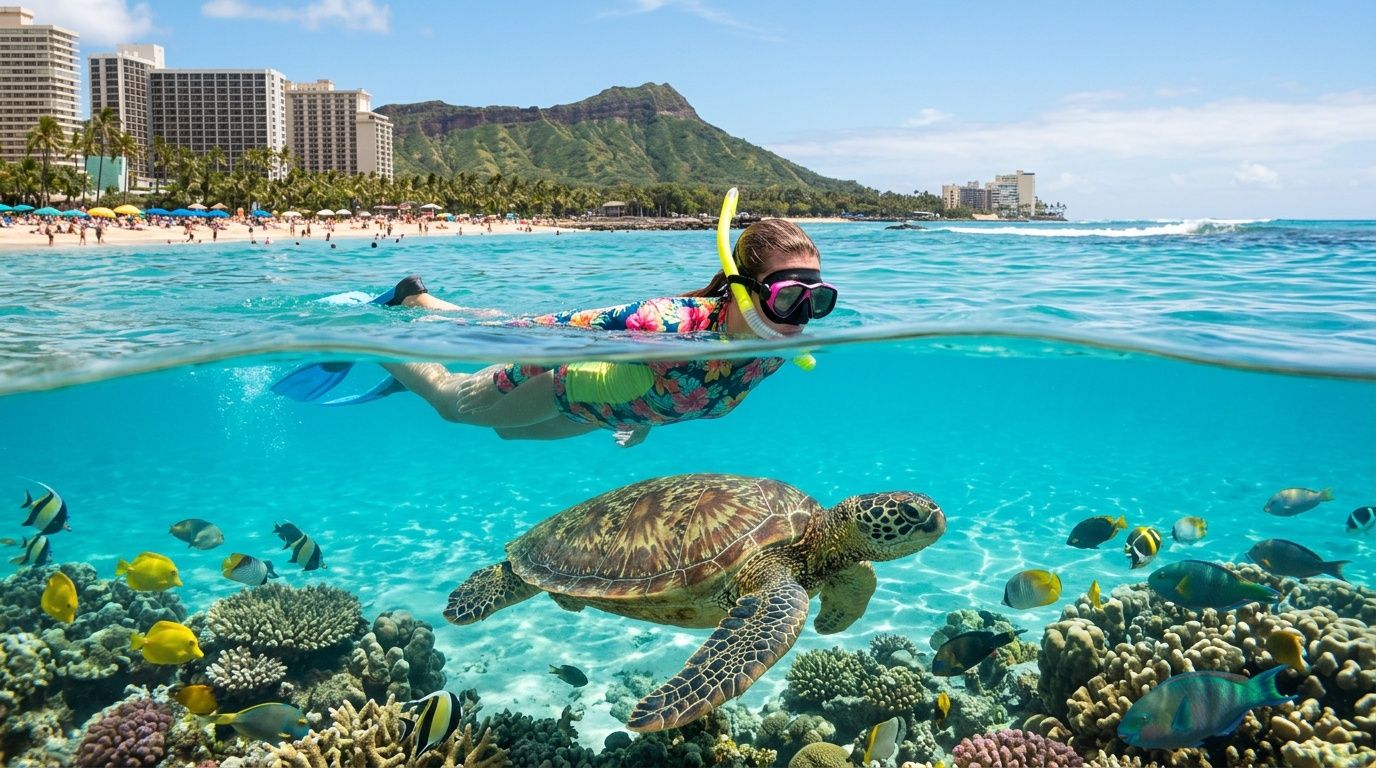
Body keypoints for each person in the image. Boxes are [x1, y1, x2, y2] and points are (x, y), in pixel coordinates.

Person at [274, 219, 838, 447]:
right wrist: (441, 324)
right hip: (553, 378)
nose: (801, 317)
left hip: (604, 411)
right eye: (789, 297)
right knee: (453, 406)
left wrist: (645, 420)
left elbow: (692, 384)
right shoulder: (661, 323)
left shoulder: (777, 348)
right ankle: (402, 323)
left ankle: (414, 370)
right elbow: (538, 330)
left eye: (818, 301)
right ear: (742, 289)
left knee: (510, 437)